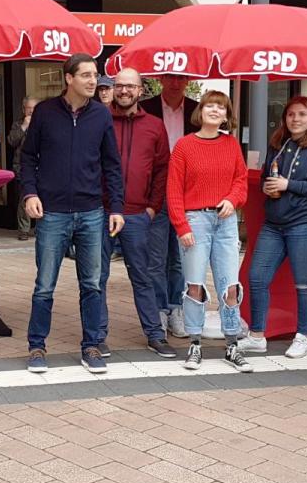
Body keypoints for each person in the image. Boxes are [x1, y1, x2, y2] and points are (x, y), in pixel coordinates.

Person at [22, 53, 124, 374]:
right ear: (69, 79)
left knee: (92, 284)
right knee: (44, 285)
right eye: (86, 75)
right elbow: (27, 158)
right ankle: (37, 347)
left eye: (95, 75)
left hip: (92, 212)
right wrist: (29, 193)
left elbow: (112, 166)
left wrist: (116, 207)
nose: (93, 81)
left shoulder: (101, 116)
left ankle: (91, 346)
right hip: (51, 212)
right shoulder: (44, 113)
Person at [242, 96, 307, 359]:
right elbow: (265, 179)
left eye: (302, 114)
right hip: (274, 225)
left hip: (305, 224)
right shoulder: (278, 144)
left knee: (304, 284)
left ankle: (303, 336)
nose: (295, 119)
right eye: (291, 114)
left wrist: (288, 185)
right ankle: (257, 336)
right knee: (257, 277)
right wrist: (268, 188)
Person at [168, 90, 249, 371]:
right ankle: (194, 343)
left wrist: (232, 199)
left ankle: (232, 344)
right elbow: (173, 190)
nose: (215, 110)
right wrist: (181, 225)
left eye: (221, 107)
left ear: (227, 115)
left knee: (230, 285)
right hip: (195, 221)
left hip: (225, 221)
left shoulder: (231, 145)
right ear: (200, 111)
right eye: (210, 106)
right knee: (194, 285)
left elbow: (241, 180)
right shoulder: (184, 146)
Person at [99, 68, 176, 358]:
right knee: (97, 277)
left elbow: (161, 170)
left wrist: (152, 207)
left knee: (143, 277)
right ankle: (97, 336)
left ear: (141, 90)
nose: (124, 91)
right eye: (119, 86)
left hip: (138, 215)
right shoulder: (99, 119)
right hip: (102, 213)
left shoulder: (155, 126)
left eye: (130, 86)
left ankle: (155, 335)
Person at [141, 74, 200, 339]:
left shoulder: (197, 110)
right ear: (161, 79)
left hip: (187, 193)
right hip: (155, 191)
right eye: (170, 78)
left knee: (178, 258)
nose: (175, 83)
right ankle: (158, 310)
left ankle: (176, 308)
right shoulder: (146, 108)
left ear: (188, 81)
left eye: (181, 78)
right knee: (155, 259)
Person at [8, 97, 38, 241]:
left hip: (42, 166)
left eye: (35, 107)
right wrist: (24, 127)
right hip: (21, 167)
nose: (31, 111)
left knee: (42, 197)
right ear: (23, 109)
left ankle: (39, 228)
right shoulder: (18, 124)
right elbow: (12, 141)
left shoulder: (43, 123)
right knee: (24, 199)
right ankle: (24, 230)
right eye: (29, 108)